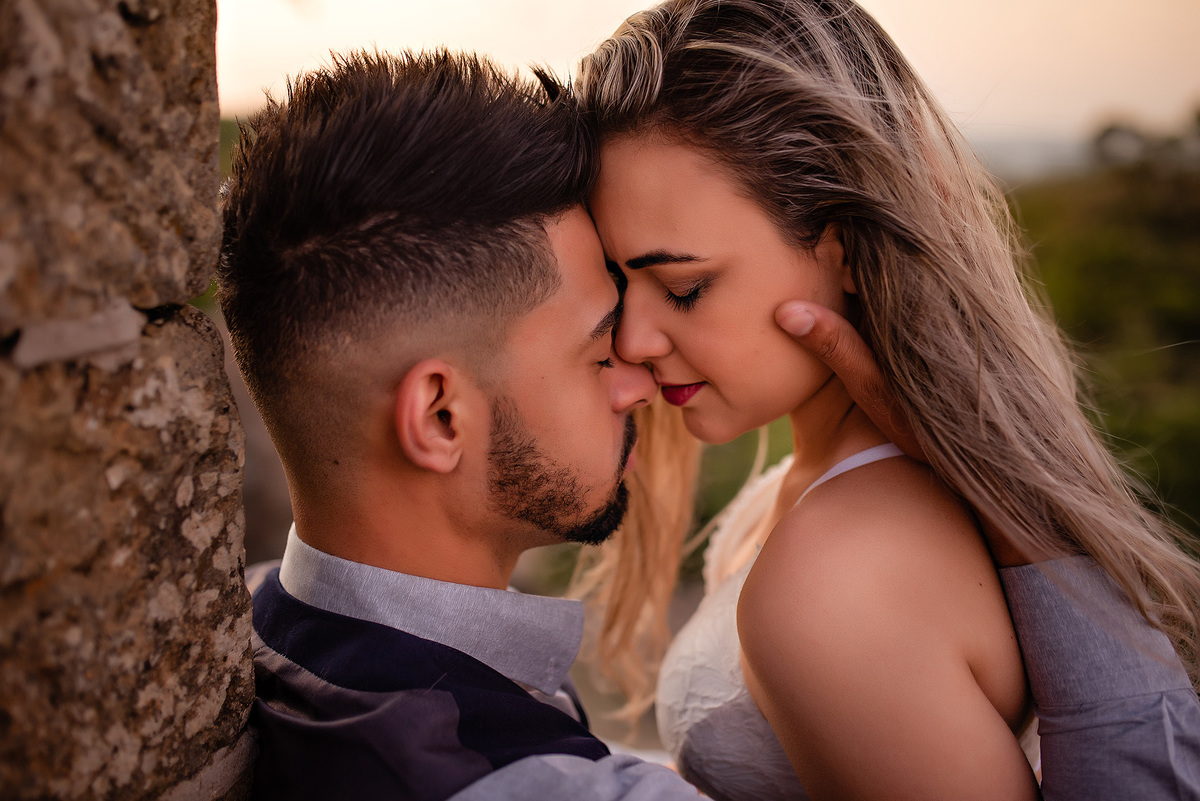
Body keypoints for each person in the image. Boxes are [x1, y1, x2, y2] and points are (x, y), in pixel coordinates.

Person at [219, 41, 1197, 801]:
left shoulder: (266, 620)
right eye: (599, 347)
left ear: (844, 250)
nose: (638, 367)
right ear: (438, 414)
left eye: (680, 290)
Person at [573, 1, 1200, 799]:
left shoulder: (840, 577)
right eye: (619, 281)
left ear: (847, 249)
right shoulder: (808, 488)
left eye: (685, 288)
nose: (632, 340)